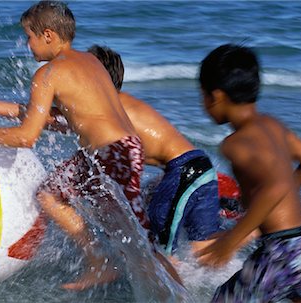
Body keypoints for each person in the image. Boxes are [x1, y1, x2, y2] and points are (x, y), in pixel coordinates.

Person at [0, 1, 180, 291]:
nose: (27, 45)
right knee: (55, 197)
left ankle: (165, 289)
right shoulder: (90, 63)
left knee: (137, 242)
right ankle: (101, 260)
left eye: (29, 36)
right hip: (122, 149)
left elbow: (26, 137)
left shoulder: (47, 74)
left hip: (109, 155)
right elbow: (61, 119)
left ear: (47, 35)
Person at [195, 44, 301, 302]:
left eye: (203, 96)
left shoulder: (235, 143)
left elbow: (273, 187)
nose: (203, 104)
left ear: (216, 96)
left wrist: (231, 240)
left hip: (279, 251)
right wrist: (281, 192)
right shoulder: (273, 125)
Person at [86, 45, 221, 256]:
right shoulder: (123, 102)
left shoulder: (110, 108)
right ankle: (249, 233)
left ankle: (249, 230)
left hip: (183, 173)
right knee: (203, 251)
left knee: (161, 253)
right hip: (199, 167)